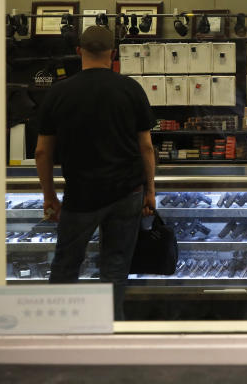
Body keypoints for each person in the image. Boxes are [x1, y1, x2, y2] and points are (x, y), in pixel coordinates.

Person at [36, 26, 156, 320]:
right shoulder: (130, 89)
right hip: (127, 193)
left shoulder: (59, 92)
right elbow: (147, 147)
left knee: (66, 265)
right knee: (114, 267)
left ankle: (57, 330)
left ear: (79, 52)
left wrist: (49, 195)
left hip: (80, 195)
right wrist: (150, 190)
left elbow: (42, 152)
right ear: (113, 54)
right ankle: (110, 331)